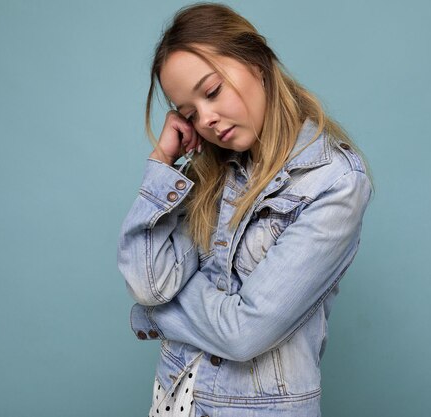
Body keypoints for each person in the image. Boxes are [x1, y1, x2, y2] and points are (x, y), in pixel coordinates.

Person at [117, 3, 373, 416]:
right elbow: (149, 283)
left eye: (212, 91)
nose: (208, 119)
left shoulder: (334, 182)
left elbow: (244, 333)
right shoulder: (211, 170)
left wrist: (158, 314)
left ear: (256, 61)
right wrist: (162, 165)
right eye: (190, 113)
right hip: (176, 395)